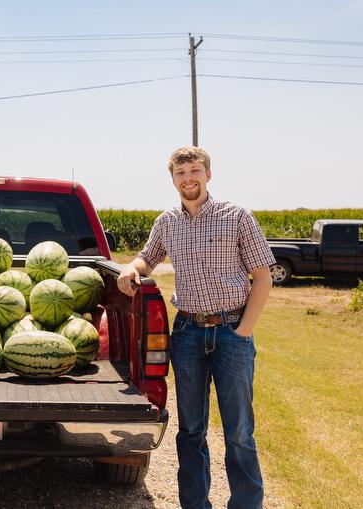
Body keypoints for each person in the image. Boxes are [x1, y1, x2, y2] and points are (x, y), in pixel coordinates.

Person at [117, 146, 275, 509]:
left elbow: (263, 277)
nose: (188, 178)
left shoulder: (236, 217)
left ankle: (246, 504)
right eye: (180, 173)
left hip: (231, 330)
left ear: (208, 174)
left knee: (238, 433)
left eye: (194, 170)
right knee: (190, 431)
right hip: (187, 333)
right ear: (172, 179)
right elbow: (148, 257)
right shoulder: (167, 222)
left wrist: (243, 332)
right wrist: (131, 267)